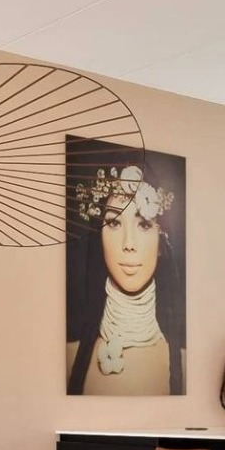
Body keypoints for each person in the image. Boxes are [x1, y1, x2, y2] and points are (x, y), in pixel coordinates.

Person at [67, 163, 184, 395]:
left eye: (143, 224)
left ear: (161, 242)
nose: (128, 244)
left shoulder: (188, 366)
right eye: (114, 223)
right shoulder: (68, 359)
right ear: (98, 236)